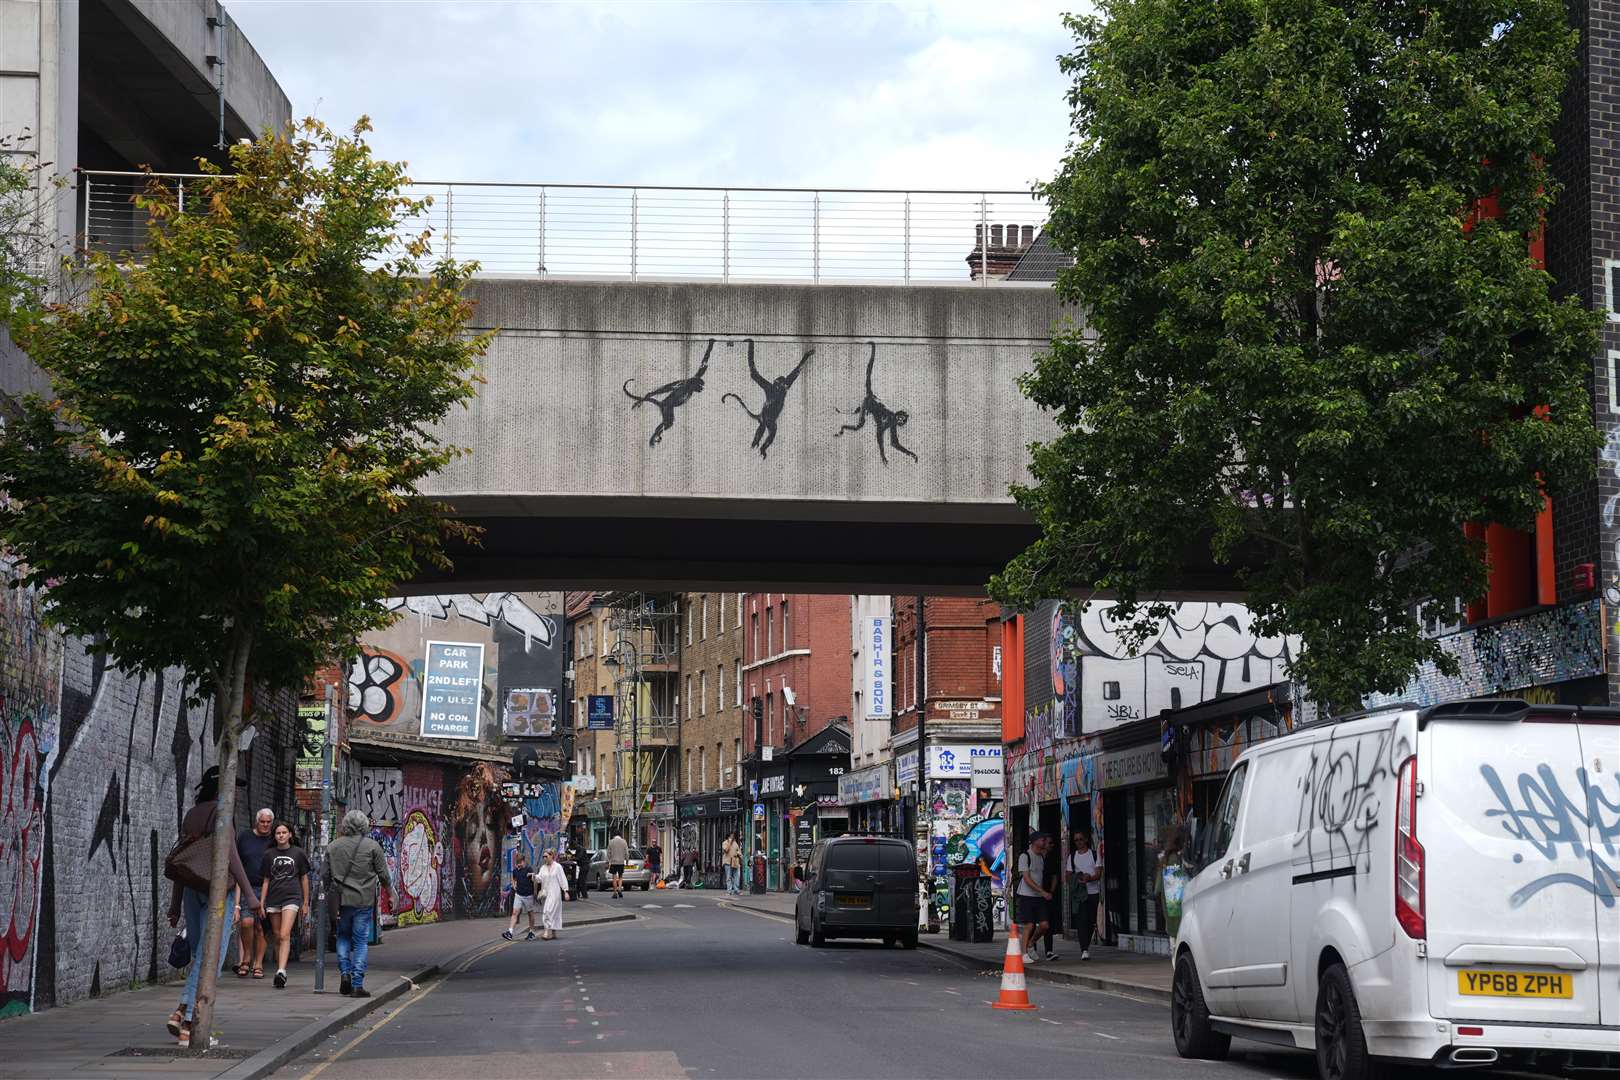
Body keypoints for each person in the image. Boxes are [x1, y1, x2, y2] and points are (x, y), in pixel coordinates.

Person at [166, 765, 261, 1049]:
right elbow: (230, 856)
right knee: (212, 958)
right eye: (234, 787)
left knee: (200, 955)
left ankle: (186, 1017)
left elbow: (183, 860)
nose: (238, 794)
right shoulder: (223, 814)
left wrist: (174, 904)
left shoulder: (191, 814)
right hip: (218, 891)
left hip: (191, 890)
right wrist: (249, 895)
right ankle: (186, 1019)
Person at [325, 809, 392, 999]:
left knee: (343, 937)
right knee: (360, 941)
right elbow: (384, 875)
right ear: (364, 825)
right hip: (363, 901)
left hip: (341, 901)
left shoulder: (333, 846)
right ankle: (357, 984)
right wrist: (391, 895)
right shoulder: (372, 847)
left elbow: (324, 876)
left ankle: (344, 972)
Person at [258, 821, 311, 989]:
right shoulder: (268, 854)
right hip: (273, 898)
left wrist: (305, 902)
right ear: (275, 836)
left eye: (284, 832)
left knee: (284, 933)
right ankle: (280, 970)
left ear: (290, 835)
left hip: (292, 897)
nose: (281, 835)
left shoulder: (298, 853)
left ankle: (281, 971)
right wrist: (261, 902)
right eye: (278, 833)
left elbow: (304, 878)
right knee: (277, 935)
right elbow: (266, 879)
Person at [234, 808, 274, 979]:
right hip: (246, 886)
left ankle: (257, 964)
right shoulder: (244, 837)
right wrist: (236, 902)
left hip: (268, 888)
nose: (265, 825)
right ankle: (246, 957)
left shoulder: (274, 840)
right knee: (246, 923)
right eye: (262, 822)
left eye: (268, 822)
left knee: (261, 927)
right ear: (256, 822)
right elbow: (237, 864)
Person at [1015, 832, 1052, 963]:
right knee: (1029, 925)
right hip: (1026, 895)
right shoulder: (1025, 856)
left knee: (1044, 925)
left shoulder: (1041, 857)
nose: (1044, 842)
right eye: (1042, 840)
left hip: (1038, 896)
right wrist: (1042, 891)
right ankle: (1024, 953)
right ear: (1035, 841)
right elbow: (1027, 878)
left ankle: (1031, 943)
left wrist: (1042, 893)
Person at [1068, 831, 1103, 961]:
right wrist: (1077, 879)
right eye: (1076, 840)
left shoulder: (1094, 855)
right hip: (1080, 895)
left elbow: (1099, 873)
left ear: (1086, 839)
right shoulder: (1072, 857)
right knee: (1081, 921)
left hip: (1093, 892)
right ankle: (1084, 949)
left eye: (1081, 839)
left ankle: (1086, 945)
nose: (1078, 842)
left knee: (1091, 921)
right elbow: (1068, 874)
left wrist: (1089, 878)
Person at [534, 848, 570, 939]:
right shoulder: (543, 868)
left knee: (548, 911)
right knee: (554, 912)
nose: (544, 858)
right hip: (546, 893)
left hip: (555, 893)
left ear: (552, 856)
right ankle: (553, 933)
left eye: (546, 856)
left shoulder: (558, 867)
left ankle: (546, 932)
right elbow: (540, 878)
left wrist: (565, 891)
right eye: (543, 857)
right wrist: (534, 876)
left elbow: (562, 879)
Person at [504, 850, 540, 941]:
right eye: (517, 863)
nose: (518, 865)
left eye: (519, 863)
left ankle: (531, 932)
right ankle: (510, 932)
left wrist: (535, 892)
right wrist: (514, 884)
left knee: (530, 913)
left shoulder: (528, 869)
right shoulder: (515, 871)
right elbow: (513, 878)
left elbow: (534, 880)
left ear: (523, 861)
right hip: (519, 895)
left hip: (528, 895)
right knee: (514, 912)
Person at [606, 832, 629, 898]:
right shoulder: (624, 842)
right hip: (621, 862)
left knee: (614, 877)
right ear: (620, 835)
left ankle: (615, 892)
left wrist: (607, 861)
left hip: (613, 862)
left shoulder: (611, 842)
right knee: (620, 876)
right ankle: (619, 889)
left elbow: (608, 853)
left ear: (614, 835)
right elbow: (626, 852)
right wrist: (627, 860)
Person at [722, 832, 743, 896]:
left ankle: (736, 890)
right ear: (728, 837)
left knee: (736, 876)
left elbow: (739, 851)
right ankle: (729, 891)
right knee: (729, 877)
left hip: (735, 862)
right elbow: (726, 850)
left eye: (733, 836)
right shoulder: (725, 843)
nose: (732, 837)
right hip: (728, 862)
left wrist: (739, 855)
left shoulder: (735, 843)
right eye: (731, 836)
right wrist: (730, 843)